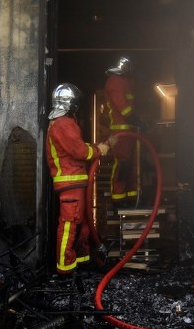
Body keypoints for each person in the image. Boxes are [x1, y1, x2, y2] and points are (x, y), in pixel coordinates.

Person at [45, 83, 110, 274]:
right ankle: (65, 267)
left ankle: (80, 262)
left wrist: (96, 147)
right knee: (69, 224)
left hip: (74, 181)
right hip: (70, 182)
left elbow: (77, 146)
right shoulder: (63, 124)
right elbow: (79, 151)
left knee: (81, 224)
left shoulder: (62, 123)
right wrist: (100, 150)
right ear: (71, 103)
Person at [104, 56, 140, 207]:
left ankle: (131, 196)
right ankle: (118, 198)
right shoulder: (115, 81)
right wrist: (135, 119)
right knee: (122, 165)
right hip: (122, 132)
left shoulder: (126, 82)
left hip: (130, 131)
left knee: (132, 165)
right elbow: (122, 106)